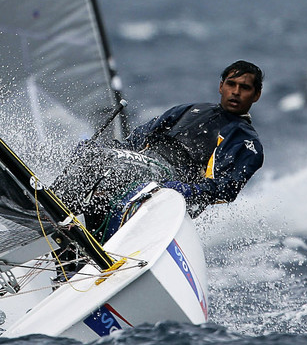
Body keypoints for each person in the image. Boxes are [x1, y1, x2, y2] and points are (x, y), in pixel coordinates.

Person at [49, 61, 266, 237]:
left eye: (244, 87)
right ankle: (51, 213)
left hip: (175, 184)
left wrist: (191, 191)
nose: (236, 92)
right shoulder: (189, 110)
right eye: (231, 84)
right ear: (221, 86)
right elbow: (134, 141)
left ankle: (74, 228)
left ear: (256, 95)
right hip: (143, 164)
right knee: (93, 158)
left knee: (110, 175)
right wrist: (104, 150)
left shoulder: (247, 143)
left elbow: (228, 188)